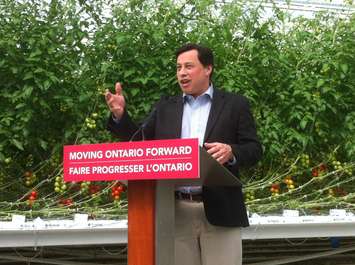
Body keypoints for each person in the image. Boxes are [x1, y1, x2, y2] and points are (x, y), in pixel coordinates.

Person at [105, 43, 262, 265]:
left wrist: (231, 151)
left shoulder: (234, 104)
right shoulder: (165, 107)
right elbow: (139, 142)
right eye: (178, 67)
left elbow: (254, 149)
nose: (182, 73)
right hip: (175, 212)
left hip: (222, 210)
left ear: (208, 69)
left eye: (189, 66)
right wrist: (121, 116)